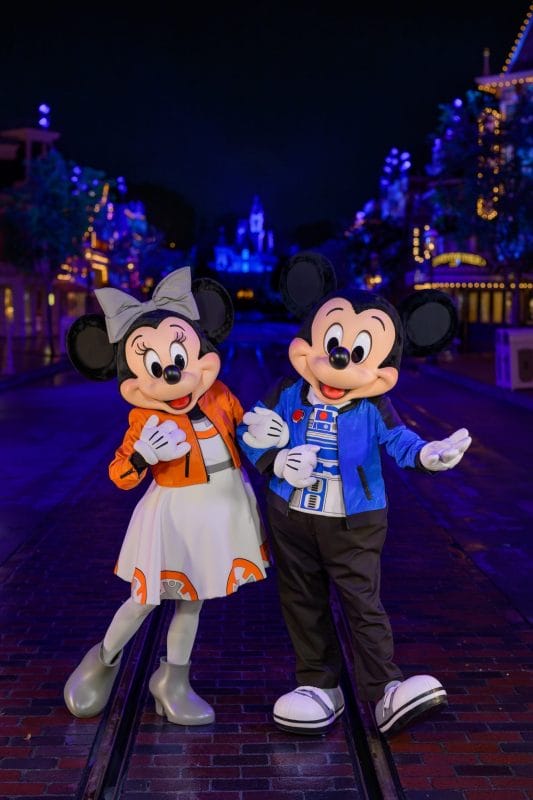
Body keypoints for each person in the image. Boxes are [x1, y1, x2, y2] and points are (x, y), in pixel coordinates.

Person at [237, 253, 471, 737]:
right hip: (291, 518)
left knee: (362, 601)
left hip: (355, 521)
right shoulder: (287, 390)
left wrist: (427, 454)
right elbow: (250, 431)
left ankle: (385, 688)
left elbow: (399, 440)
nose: (339, 359)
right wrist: (274, 460)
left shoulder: (373, 405)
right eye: (331, 344)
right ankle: (318, 685)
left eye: (358, 352)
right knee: (301, 600)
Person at [63, 267, 268, 725]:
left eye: (179, 357)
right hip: (176, 513)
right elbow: (119, 474)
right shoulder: (144, 418)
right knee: (144, 598)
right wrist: (142, 456)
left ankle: (173, 680)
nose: (173, 373)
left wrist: (267, 437)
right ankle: (103, 659)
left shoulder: (219, 394)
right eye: (155, 367)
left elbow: (245, 433)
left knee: (192, 601)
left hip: (221, 504)